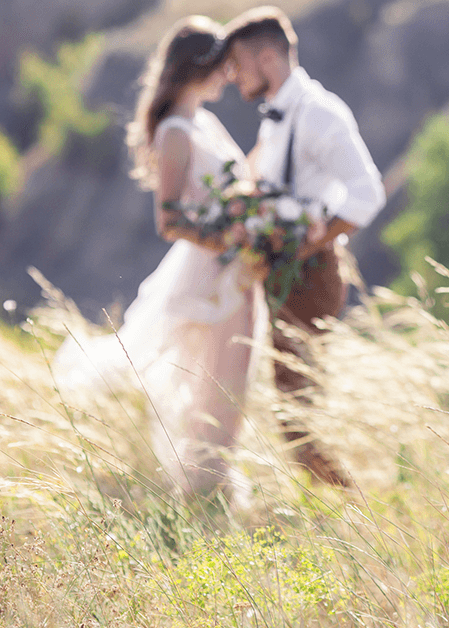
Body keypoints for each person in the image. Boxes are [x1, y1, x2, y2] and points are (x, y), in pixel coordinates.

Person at [55, 16, 265, 501]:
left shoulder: (204, 122)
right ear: (199, 67)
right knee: (212, 379)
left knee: (232, 378)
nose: (229, 76)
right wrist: (228, 239)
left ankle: (209, 489)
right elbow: (169, 221)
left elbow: (239, 186)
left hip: (237, 266)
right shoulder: (174, 132)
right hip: (208, 270)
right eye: (222, 67)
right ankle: (202, 491)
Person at [223, 6, 386, 488]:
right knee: (294, 408)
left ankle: (354, 511)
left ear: (268, 58)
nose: (232, 77)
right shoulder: (276, 116)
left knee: (296, 415)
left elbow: (367, 191)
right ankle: (338, 508)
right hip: (282, 275)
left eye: (238, 64)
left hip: (310, 275)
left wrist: (316, 237)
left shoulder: (319, 112)